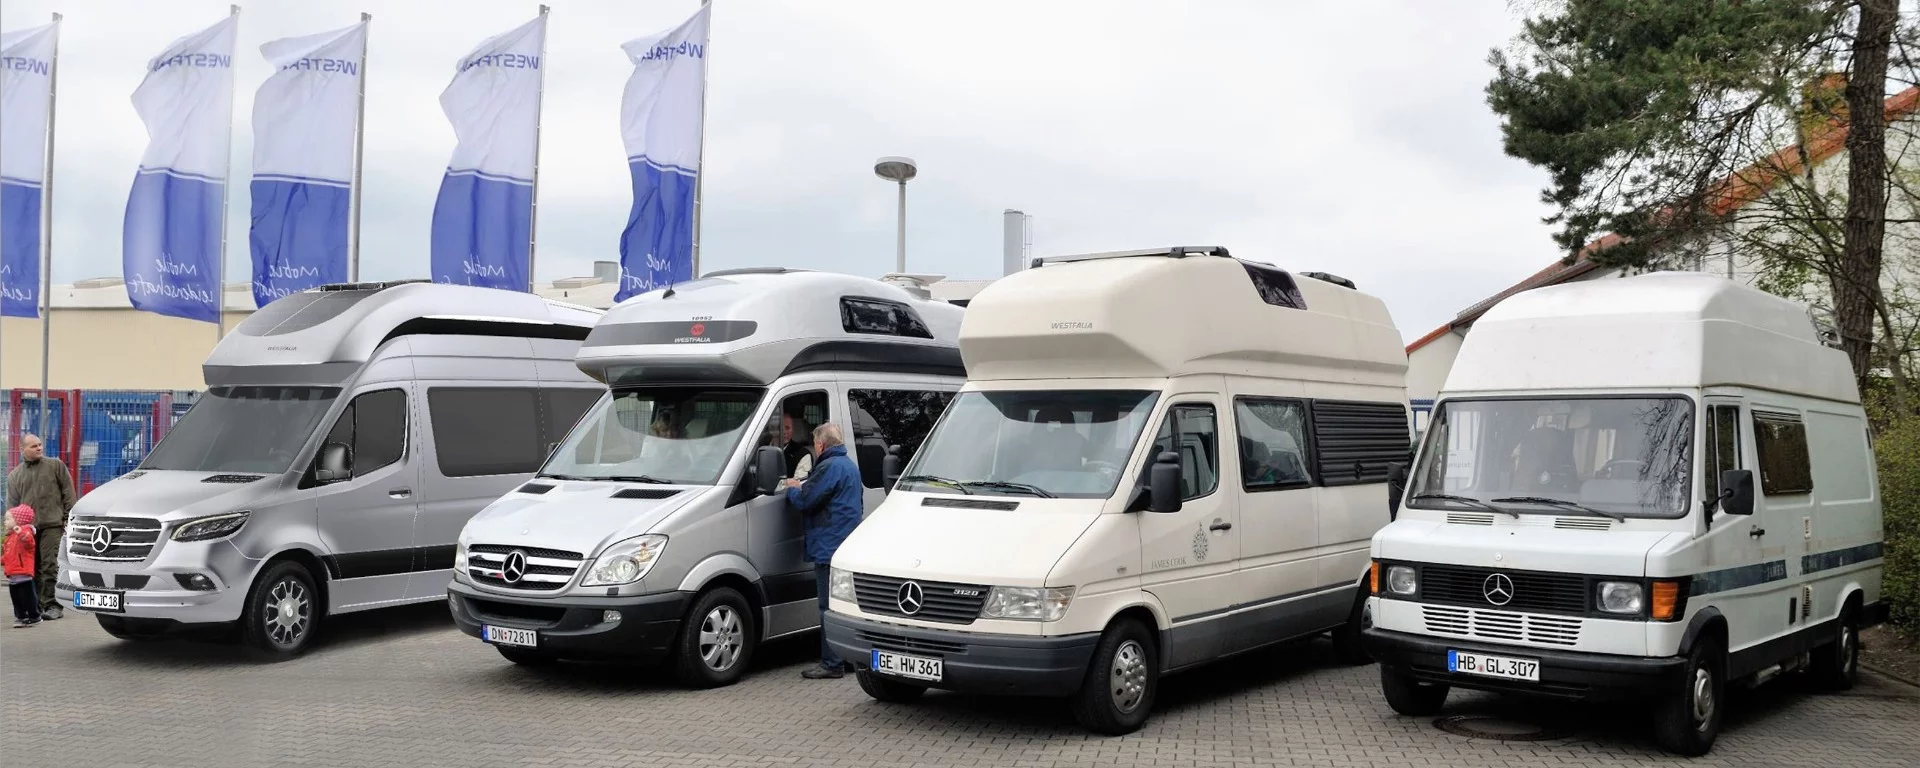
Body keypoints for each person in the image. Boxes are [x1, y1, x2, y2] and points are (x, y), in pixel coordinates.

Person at [781, 423, 862, 679]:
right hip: (846, 544)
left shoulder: (828, 467)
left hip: (828, 545)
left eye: (815, 444)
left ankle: (831, 663)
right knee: (843, 606)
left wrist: (792, 488)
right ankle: (847, 658)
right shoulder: (849, 465)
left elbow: (807, 500)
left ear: (821, 445)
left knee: (827, 607)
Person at [4, 434, 74, 620]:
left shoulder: (55, 466)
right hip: (28, 529)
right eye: (34, 446)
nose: (39, 448)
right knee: (30, 568)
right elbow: (12, 506)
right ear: (22, 450)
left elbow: (68, 491)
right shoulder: (15, 476)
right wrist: (13, 531)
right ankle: (34, 606)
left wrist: (68, 518)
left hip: (53, 524)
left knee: (49, 565)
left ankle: (52, 605)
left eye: (40, 445)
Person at [5, 505, 41, 628]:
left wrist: (21, 533)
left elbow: (29, 543)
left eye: (8, 519)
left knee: (27, 597)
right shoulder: (9, 537)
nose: (5, 521)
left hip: (23, 573)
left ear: (18, 520)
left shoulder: (26, 532)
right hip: (12, 574)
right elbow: (8, 554)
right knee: (16, 599)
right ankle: (21, 617)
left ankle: (34, 616)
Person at [780, 412, 813, 480]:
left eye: (788, 428)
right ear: (772, 430)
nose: (784, 432)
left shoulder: (802, 454)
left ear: (792, 430)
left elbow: (798, 485)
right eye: (780, 428)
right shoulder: (760, 448)